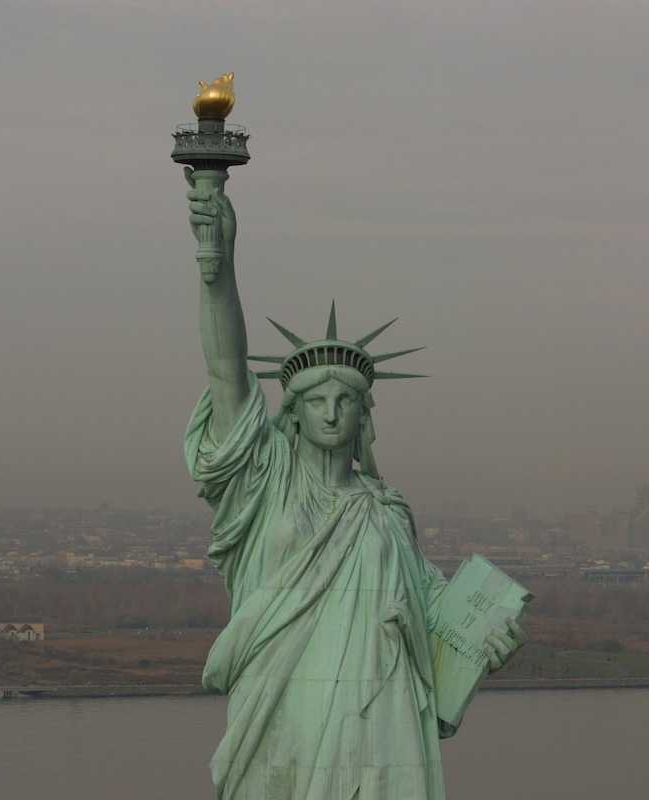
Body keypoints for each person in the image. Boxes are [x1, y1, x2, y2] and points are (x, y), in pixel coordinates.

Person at [183, 169, 523, 800]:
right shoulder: (267, 485)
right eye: (317, 400)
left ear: (366, 414)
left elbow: (437, 617)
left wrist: (489, 641)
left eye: (347, 400)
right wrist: (218, 264)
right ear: (295, 411)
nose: (333, 412)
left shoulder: (386, 512)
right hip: (285, 714)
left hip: (382, 722)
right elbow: (226, 369)